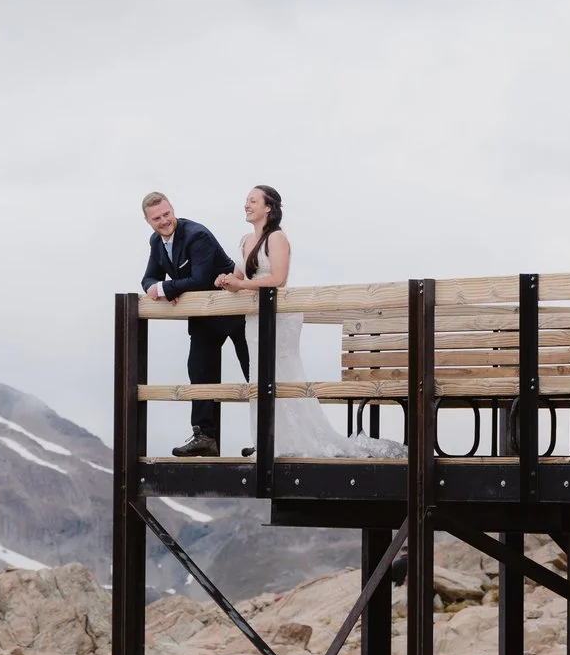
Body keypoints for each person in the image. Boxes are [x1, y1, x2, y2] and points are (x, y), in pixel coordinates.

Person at [215, 184, 401, 458]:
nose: (247, 204)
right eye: (246, 200)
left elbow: (278, 278)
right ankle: (270, 441)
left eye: (253, 200)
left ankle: (294, 441)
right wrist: (227, 282)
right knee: (259, 374)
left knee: (283, 372)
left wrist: (241, 285)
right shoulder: (245, 241)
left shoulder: (277, 238)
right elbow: (241, 278)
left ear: (268, 207)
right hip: (254, 317)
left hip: (279, 315)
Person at [140, 191, 247, 458]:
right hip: (203, 317)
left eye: (167, 214)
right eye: (157, 218)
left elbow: (199, 279)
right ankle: (204, 437)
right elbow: (148, 278)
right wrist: (161, 288)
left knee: (254, 372)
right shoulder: (156, 241)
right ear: (148, 221)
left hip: (236, 311)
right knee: (198, 372)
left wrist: (167, 289)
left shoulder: (197, 235)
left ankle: (272, 436)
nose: (164, 221)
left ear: (172, 209)